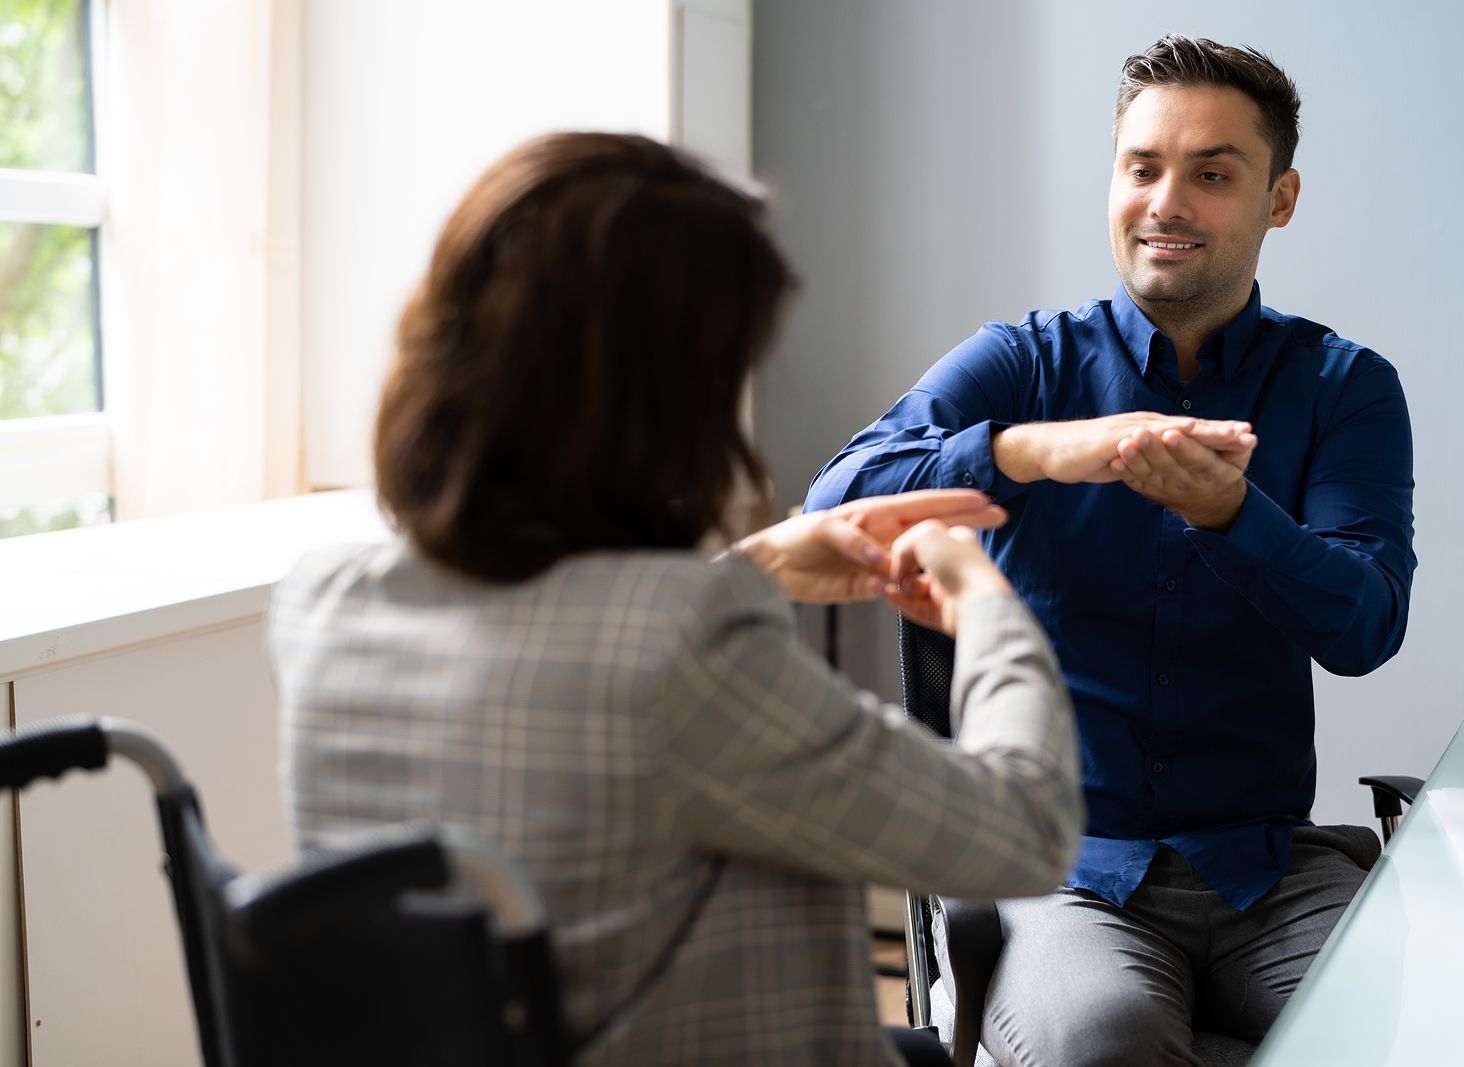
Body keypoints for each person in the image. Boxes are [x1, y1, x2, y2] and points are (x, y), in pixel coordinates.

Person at [268, 131, 1086, 1067]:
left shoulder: (319, 605)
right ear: (662, 403)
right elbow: (1024, 832)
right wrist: (990, 602)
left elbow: (569, 660)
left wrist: (757, 561)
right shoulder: (684, 649)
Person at [805, 34, 1417, 1066]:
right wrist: (1032, 448)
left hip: (1263, 866)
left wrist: (1236, 516)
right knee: (1103, 1045)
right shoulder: (1020, 362)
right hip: (1062, 867)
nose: (1165, 202)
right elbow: (839, 496)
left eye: (1211, 172)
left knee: (1424, 1027)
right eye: (1142, 167)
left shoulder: (1343, 386)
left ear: (1280, 197)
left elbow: (1363, 626)